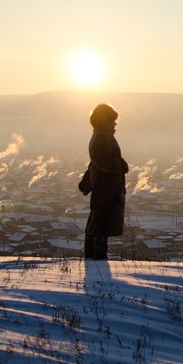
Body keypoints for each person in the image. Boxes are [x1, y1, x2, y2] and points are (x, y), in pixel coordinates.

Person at [82, 103, 128, 259]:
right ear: (105, 121)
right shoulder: (103, 138)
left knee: (97, 224)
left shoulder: (100, 136)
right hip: (106, 188)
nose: (115, 123)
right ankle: (97, 259)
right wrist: (121, 165)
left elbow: (96, 163)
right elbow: (103, 162)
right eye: (112, 121)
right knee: (100, 226)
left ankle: (93, 258)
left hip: (104, 188)